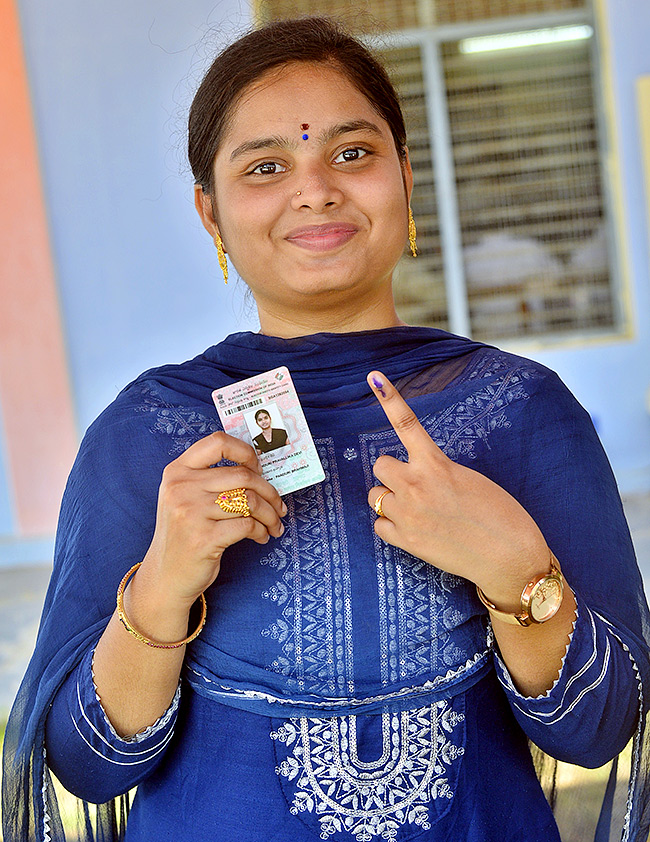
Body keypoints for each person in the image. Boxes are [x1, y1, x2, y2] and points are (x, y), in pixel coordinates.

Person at [3, 16, 649, 842]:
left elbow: (598, 732)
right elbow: (85, 764)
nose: (315, 190)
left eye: (352, 153)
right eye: (266, 166)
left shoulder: (522, 409)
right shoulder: (152, 431)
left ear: (406, 178)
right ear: (211, 214)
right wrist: (165, 584)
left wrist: (517, 573)